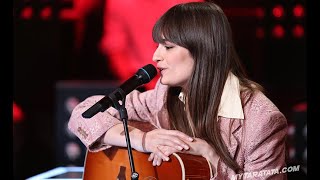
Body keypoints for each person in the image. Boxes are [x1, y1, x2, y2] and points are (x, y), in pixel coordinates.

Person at [68, 2, 288, 179]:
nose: (155, 57)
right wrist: (141, 140)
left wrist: (211, 158)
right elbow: (84, 114)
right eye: (157, 46)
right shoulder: (163, 97)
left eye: (168, 47)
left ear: (203, 50)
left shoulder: (262, 120)